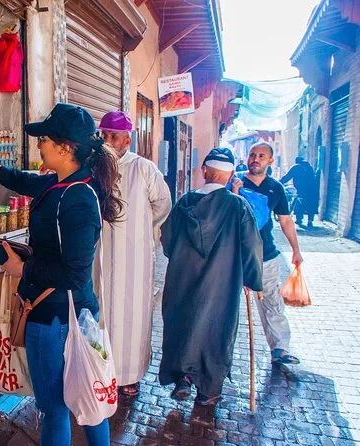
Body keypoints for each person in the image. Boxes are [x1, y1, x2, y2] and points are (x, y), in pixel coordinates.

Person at [0, 103, 123, 446]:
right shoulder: (64, 182)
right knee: (89, 398)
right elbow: (22, 181)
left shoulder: (77, 198)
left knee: (55, 409)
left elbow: (75, 273)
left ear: (65, 148)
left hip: (56, 318)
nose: (38, 145)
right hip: (69, 313)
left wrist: (21, 267)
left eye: (44, 140)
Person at [159, 148, 263, 406]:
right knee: (216, 329)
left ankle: (183, 377)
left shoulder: (185, 202)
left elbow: (167, 239)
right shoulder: (237, 206)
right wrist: (252, 279)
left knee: (182, 322)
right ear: (230, 175)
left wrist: (181, 257)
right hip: (222, 282)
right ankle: (208, 391)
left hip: (182, 278)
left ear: (204, 171)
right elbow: (252, 245)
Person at [97, 111, 171, 397]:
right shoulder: (95, 168)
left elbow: (162, 205)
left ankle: (130, 376)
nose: (107, 141)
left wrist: (141, 227)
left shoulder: (144, 168)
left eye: (113, 136)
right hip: (102, 253)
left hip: (136, 257)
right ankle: (101, 371)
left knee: (134, 314)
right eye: (104, 135)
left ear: (127, 139)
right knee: (103, 310)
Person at [232, 142, 303, 366]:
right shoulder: (234, 182)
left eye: (261, 156)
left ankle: (280, 348)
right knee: (226, 303)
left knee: (272, 301)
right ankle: (218, 353)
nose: (255, 159)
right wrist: (234, 192)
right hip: (234, 255)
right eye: (252, 154)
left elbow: (285, 220)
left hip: (266, 255)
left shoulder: (275, 188)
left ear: (270, 161)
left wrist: (296, 249)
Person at [280, 156, 319, 228]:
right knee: (310, 204)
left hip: (301, 189)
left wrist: (279, 183)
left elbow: (287, 177)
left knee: (299, 203)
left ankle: (299, 219)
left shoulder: (296, 167)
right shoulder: (309, 167)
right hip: (312, 189)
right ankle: (310, 221)